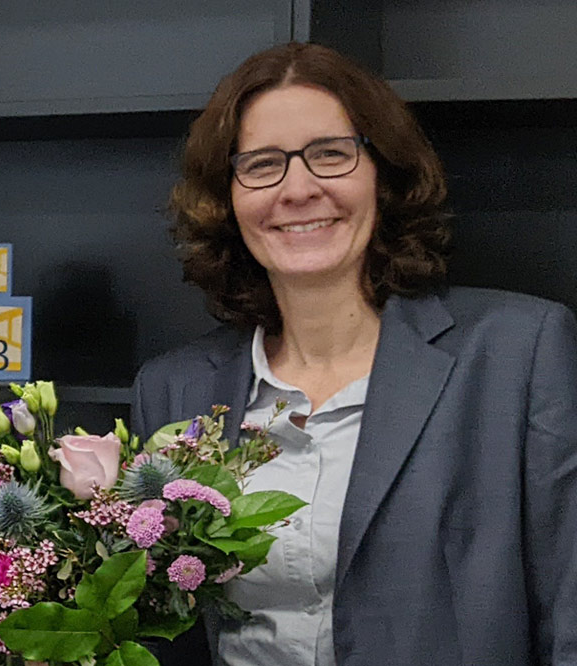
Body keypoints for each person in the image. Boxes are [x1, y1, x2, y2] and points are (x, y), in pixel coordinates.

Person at [133, 42, 577, 666]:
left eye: (331, 155)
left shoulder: (517, 352)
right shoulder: (171, 390)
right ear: (228, 199)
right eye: (262, 165)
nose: (298, 189)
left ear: (384, 175)